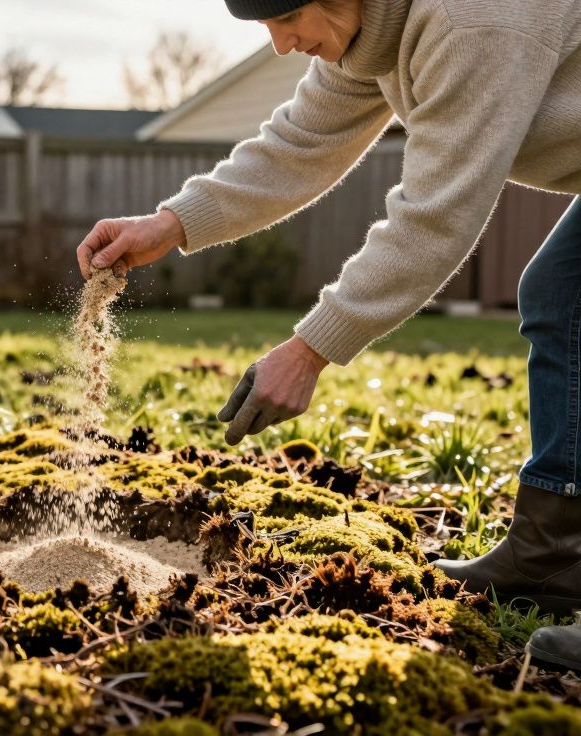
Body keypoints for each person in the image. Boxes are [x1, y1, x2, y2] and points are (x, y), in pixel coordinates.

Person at [76, 0, 581, 669]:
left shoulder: (467, 20)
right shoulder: (369, 35)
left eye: (286, 21)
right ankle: (552, 556)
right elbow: (300, 146)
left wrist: (310, 350)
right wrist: (168, 224)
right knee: (560, 297)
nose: (281, 46)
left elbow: (436, 218)